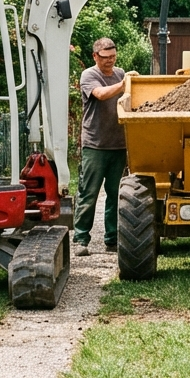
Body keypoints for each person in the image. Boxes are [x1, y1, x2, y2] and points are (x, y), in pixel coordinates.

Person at [74, 37, 130, 256]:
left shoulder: (120, 73)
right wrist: (124, 84)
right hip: (95, 145)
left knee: (116, 194)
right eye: (106, 57)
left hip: (118, 144)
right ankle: (81, 239)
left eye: (113, 57)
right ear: (95, 56)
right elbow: (100, 94)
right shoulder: (89, 75)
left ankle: (112, 239)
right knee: (89, 193)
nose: (110, 61)